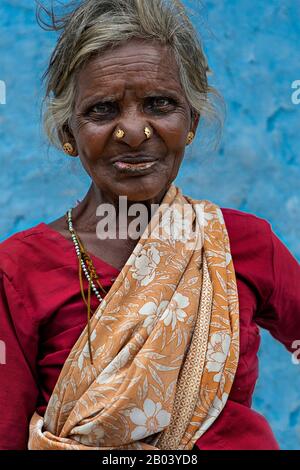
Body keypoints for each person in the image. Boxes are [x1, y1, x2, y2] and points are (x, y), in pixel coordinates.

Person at [0, 0, 299, 450]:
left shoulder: (241, 243)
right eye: (102, 110)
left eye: (160, 104)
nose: (134, 131)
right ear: (67, 132)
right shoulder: (19, 270)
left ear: (192, 121)